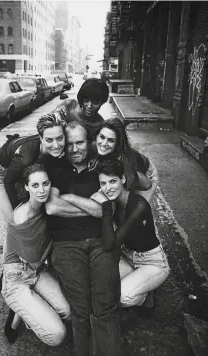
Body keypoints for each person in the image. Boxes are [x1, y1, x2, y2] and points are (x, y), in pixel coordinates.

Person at [45, 121, 121, 356]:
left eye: (80, 143)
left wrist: (70, 197)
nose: (75, 149)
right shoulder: (54, 169)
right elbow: (52, 208)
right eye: (70, 144)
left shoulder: (100, 166)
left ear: (87, 142)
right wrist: (92, 205)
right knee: (80, 306)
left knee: (105, 305)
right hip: (66, 244)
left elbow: (106, 210)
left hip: (100, 240)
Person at [1, 163, 70, 344]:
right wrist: (52, 241)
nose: (42, 190)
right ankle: (19, 309)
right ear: (26, 187)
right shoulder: (23, 216)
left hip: (38, 272)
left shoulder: (48, 208)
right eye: (35, 185)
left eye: (45, 184)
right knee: (57, 336)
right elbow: (34, 261)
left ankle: (26, 309)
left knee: (69, 312)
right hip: (18, 275)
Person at [92, 159, 170, 312]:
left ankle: (146, 292)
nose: (108, 188)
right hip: (127, 257)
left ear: (123, 179)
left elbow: (110, 244)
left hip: (152, 262)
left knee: (123, 297)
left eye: (113, 181)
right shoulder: (114, 201)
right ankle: (141, 282)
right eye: (103, 183)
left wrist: (106, 208)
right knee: (101, 286)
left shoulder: (139, 205)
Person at [0, 112, 66, 220]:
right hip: (0, 172)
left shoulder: (57, 148)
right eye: (49, 140)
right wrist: (17, 212)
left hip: (23, 165)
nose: (56, 145)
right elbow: (9, 182)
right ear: (41, 139)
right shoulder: (25, 159)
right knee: (13, 221)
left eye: (60, 138)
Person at [91, 117, 158, 203]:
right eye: (102, 137)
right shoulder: (94, 146)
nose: (104, 144)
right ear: (97, 136)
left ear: (117, 144)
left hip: (146, 175)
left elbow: (147, 185)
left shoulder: (123, 161)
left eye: (111, 140)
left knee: (134, 210)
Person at [52, 78, 109, 142]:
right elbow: (44, 123)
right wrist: (56, 118)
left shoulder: (99, 125)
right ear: (81, 98)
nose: (89, 106)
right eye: (86, 100)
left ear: (102, 102)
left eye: (95, 103)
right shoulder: (69, 105)